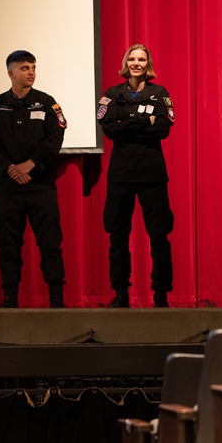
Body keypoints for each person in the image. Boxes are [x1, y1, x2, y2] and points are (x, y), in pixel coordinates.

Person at [0, 50, 68, 308]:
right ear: (11, 73)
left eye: (33, 67)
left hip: (40, 184)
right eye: (25, 68)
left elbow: (55, 138)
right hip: (9, 186)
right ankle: (9, 298)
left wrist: (30, 165)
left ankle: (56, 299)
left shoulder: (48, 103)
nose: (31, 72)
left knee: (50, 243)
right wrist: (10, 168)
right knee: (8, 246)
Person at [97, 43, 176, 308]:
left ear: (147, 64)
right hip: (120, 175)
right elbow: (110, 129)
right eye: (132, 58)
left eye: (141, 59)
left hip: (152, 173)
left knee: (159, 236)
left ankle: (161, 294)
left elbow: (164, 128)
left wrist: (127, 124)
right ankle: (121, 293)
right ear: (126, 63)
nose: (136, 63)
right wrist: (146, 121)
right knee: (117, 237)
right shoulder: (112, 93)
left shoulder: (160, 93)